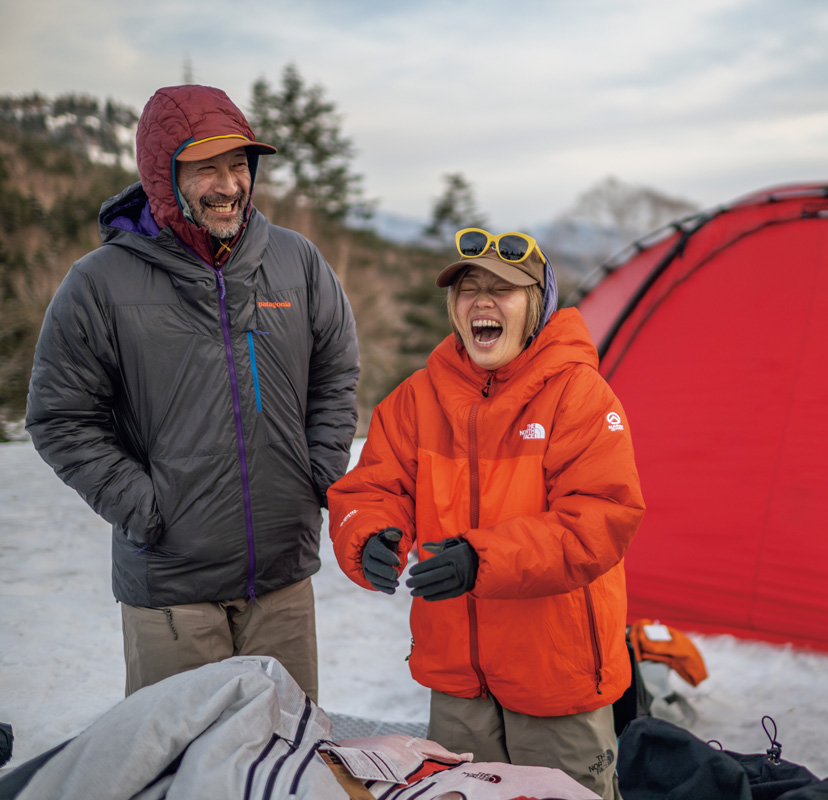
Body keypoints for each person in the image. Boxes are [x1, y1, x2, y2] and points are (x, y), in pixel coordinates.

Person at [25, 85, 359, 703]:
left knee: (287, 753)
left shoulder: (298, 262)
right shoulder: (98, 283)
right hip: (172, 592)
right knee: (181, 755)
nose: (229, 185)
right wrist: (147, 510)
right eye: (206, 167)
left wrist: (315, 473)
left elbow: (336, 373)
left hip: (282, 582)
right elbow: (60, 417)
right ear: (163, 174)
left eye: (239, 164)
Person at [328, 228, 644, 800]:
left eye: (503, 290)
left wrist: (483, 559)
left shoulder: (579, 395)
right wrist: (369, 534)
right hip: (458, 681)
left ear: (537, 307)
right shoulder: (417, 397)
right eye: (469, 289)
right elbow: (372, 487)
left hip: (555, 675)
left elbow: (600, 519)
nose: (482, 302)